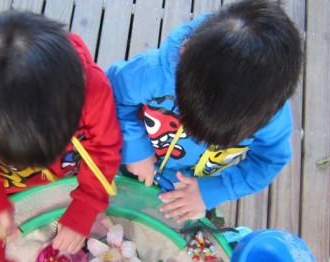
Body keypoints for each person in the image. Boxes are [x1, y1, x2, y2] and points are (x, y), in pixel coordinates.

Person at [0, 10, 122, 253]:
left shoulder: (93, 89)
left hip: (72, 176)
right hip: (11, 184)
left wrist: (85, 207)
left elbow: (104, 149)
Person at [106, 0, 303, 223]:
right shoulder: (153, 73)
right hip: (127, 161)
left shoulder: (269, 116)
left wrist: (213, 191)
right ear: (184, 49)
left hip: (189, 192)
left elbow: (268, 161)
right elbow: (112, 94)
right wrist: (135, 148)